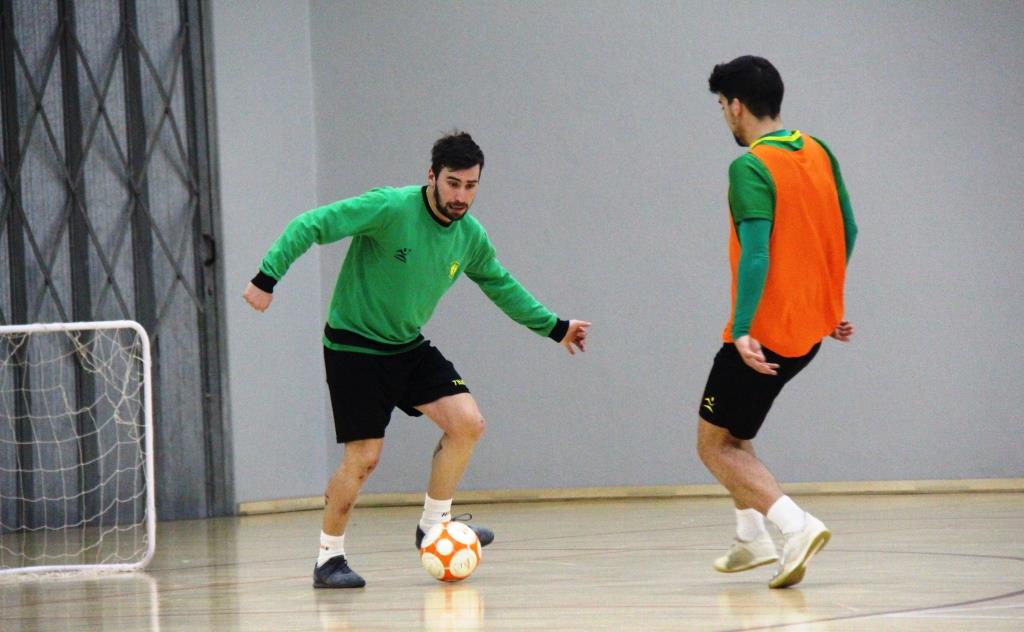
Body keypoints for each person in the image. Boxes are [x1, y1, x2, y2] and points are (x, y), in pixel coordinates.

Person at [243, 131, 591, 588]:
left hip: (406, 345)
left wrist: (554, 326)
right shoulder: (390, 208)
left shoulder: (469, 236)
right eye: (453, 183)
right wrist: (267, 278)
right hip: (354, 347)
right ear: (432, 176)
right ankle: (329, 558)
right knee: (364, 458)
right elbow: (310, 224)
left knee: (468, 423)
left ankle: (433, 524)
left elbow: (500, 285)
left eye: (470, 186)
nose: (461, 195)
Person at [697, 56, 858, 589]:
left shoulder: (749, 167)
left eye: (722, 106)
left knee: (713, 446)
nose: (725, 117)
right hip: (807, 332)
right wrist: (828, 304)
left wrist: (743, 329)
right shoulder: (818, 149)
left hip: (762, 336)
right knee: (737, 439)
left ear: (737, 105)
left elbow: (757, 253)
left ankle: (796, 526)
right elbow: (848, 229)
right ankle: (751, 539)